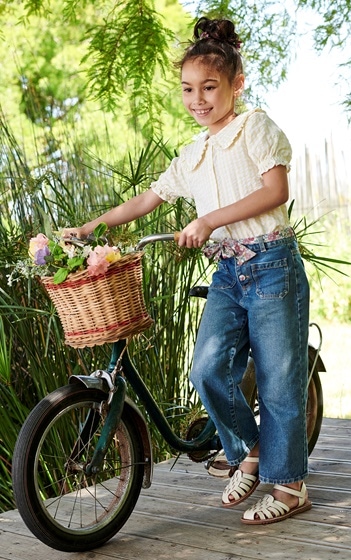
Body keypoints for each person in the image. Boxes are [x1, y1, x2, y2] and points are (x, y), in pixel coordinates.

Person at [64, 16, 311, 525]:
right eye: (187, 89)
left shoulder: (254, 128)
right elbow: (148, 199)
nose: (198, 99)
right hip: (227, 273)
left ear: (236, 84)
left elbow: (275, 191)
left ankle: (290, 487)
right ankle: (251, 448)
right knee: (206, 369)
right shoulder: (192, 153)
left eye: (209, 87)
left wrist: (208, 220)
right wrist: (91, 227)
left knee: (278, 381)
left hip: (270, 265)